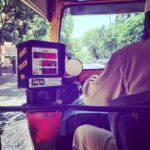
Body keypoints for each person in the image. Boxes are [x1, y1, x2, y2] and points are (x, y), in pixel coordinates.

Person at [72, 0, 150, 150]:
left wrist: (91, 82)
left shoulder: (127, 56)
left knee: (81, 133)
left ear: (147, 22)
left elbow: (93, 100)